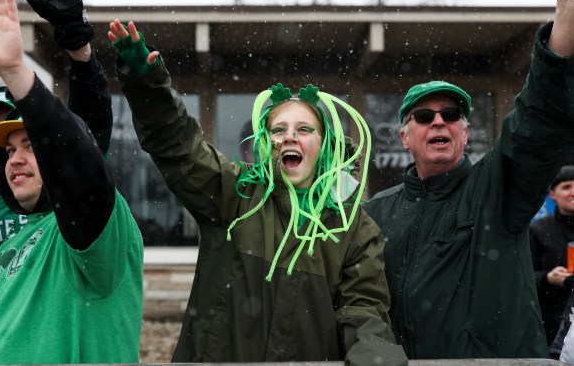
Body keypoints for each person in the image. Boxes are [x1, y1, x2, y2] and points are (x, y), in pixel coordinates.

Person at [108, 20, 407, 365]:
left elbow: (364, 309)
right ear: (266, 144)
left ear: (324, 146)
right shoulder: (234, 195)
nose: (290, 136)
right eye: (279, 129)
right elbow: (179, 146)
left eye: (304, 129)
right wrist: (147, 83)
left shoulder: (355, 228)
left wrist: (377, 358)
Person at [364, 0, 574, 358]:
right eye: (424, 116)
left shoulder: (497, 191)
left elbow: (537, 122)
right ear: (405, 138)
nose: (439, 121)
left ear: (464, 132)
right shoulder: (374, 214)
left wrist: (565, 19)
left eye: (452, 114)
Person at [0, 0, 144, 364]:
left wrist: (17, 72)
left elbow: (79, 155)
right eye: (7, 149)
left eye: (32, 145)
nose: (14, 158)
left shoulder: (89, 233)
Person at [0, 0, 113, 307]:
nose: (13, 153)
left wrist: (79, 54)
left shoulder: (63, 196)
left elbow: (82, 140)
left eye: (28, 142)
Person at [531, 165, 574, 346]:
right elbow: (524, 278)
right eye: (566, 187)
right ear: (552, 195)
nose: (573, 192)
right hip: (552, 329)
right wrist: (548, 278)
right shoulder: (538, 229)